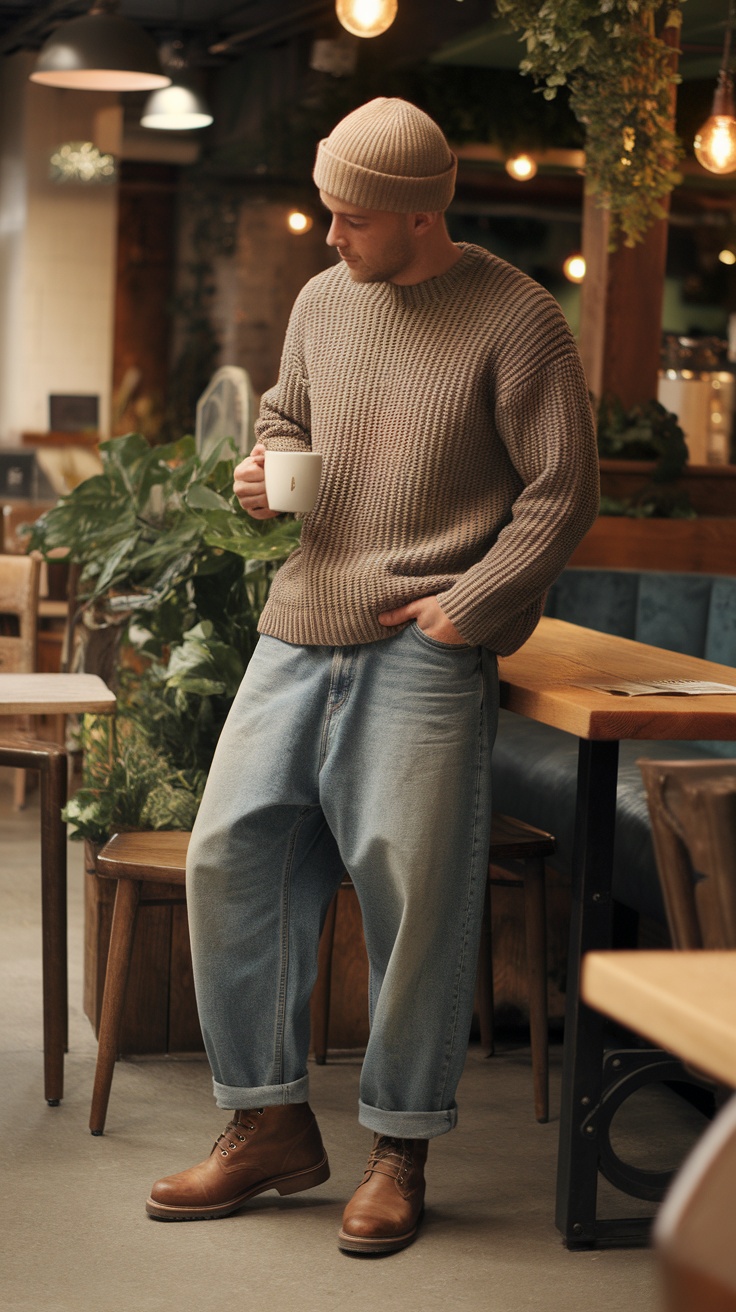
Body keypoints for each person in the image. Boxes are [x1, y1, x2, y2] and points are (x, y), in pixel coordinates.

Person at [146, 97, 599, 1254]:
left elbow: (559, 492)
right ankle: (266, 1125)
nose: (330, 235)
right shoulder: (319, 300)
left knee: (413, 894)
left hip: (422, 640)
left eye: (350, 216)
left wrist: (471, 608)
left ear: (414, 214)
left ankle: (400, 1147)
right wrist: (262, 471)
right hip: (300, 621)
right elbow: (290, 417)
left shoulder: (517, 318)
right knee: (229, 853)